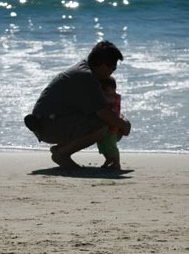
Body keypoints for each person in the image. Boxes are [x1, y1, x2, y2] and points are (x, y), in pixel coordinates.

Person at [24, 40, 131, 169]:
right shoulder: (86, 76)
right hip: (47, 125)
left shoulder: (87, 71)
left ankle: (61, 149)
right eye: (113, 67)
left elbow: (107, 109)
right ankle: (61, 154)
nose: (113, 71)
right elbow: (104, 113)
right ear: (103, 65)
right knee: (102, 126)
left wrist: (121, 121)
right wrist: (124, 125)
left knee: (112, 123)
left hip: (52, 121)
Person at [97, 76, 123, 169]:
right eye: (102, 90)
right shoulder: (106, 97)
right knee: (101, 144)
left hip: (113, 125)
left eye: (106, 90)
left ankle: (116, 162)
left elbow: (108, 101)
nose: (104, 93)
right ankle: (108, 159)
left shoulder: (115, 97)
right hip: (104, 124)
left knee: (110, 144)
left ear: (113, 89)